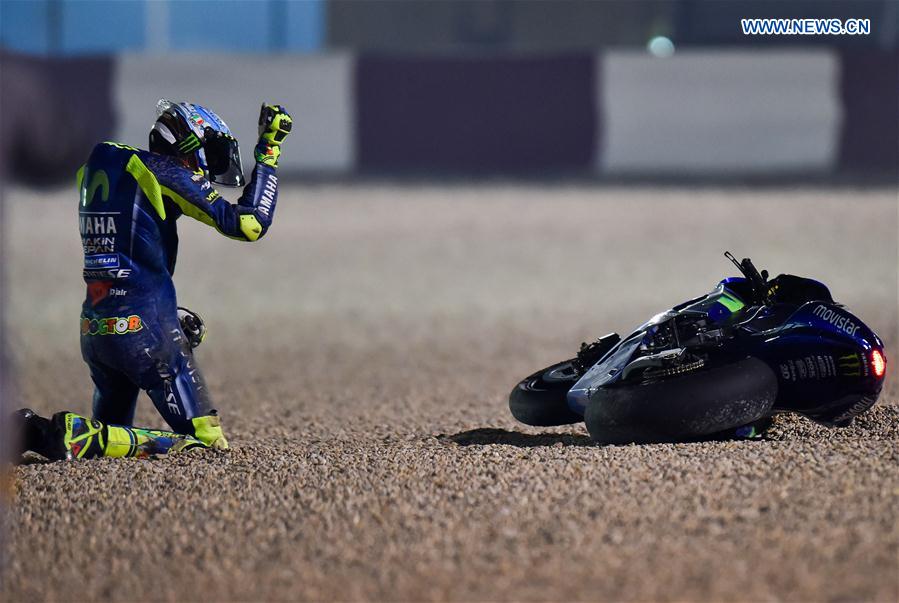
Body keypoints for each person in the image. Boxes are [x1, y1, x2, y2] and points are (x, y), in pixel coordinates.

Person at [14, 100, 292, 460]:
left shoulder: (105, 167)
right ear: (189, 143)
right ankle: (75, 433)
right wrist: (269, 153)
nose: (212, 166)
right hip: (146, 331)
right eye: (213, 152)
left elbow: (123, 262)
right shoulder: (160, 170)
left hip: (95, 330)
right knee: (206, 444)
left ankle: (43, 432)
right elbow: (249, 223)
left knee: (114, 441)